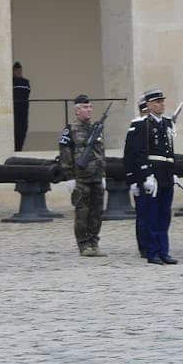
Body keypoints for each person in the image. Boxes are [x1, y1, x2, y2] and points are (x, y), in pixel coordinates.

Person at [124, 89, 178, 265]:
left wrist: (173, 172)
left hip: (166, 175)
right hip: (152, 176)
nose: (161, 104)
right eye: (156, 102)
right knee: (152, 215)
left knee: (165, 215)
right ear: (148, 105)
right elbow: (138, 153)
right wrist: (146, 175)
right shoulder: (141, 124)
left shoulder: (167, 123)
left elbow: (169, 151)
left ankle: (164, 250)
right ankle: (152, 251)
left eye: (162, 101)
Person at [58, 94, 108, 256]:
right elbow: (65, 154)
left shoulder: (96, 128)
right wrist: (69, 177)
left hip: (96, 177)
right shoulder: (70, 129)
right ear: (77, 110)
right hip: (81, 179)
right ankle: (83, 245)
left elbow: (101, 153)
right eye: (85, 107)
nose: (89, 110)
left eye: (90, 107)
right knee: (82, 213)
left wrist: (104, 175)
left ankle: (94, 242)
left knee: (97, 213)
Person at [127, 98, 147, 257]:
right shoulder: (136, 127)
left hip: (156, 178)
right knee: (143, 214)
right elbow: (130, 156)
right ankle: (144, 246)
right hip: (140, 178)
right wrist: (132, 180)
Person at [12, 61, 31, 151]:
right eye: (16, 70)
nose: (18, 72)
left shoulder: (25, 82)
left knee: (23, 130)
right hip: (15, 111)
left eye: (20, 70)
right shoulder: (11, 82)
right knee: (16, 131)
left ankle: (19, 149)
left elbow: (26, 94)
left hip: (24, 110)